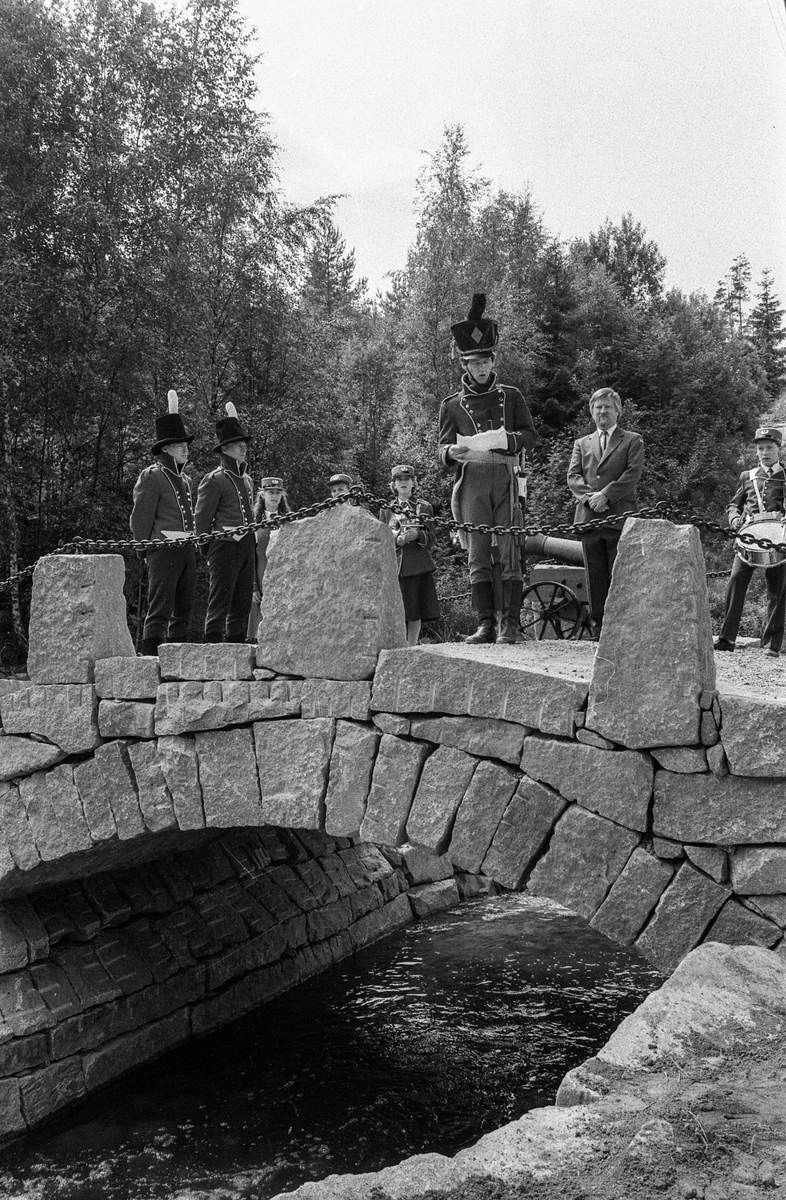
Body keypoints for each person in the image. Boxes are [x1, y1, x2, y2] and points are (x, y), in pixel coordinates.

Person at [439, 293, 538, 645]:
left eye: (486, 362)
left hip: (507, 477)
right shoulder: (451, 405)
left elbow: (530, 435)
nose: (481, 369)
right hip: (472, 481)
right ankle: (485, 624)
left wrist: (506, 439)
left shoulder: (511, 396)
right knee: (478, 553)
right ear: (465, 365)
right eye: (474, 363)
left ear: (493, 361)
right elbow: (441, 449)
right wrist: (453, 450)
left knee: (511, 551)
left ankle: (510, 624)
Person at [567, 387, 644, 639]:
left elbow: (632, 474)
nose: (602, 411)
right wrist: (590, 499)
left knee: (620, 574)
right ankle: (599, 628)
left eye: (607, 407)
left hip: (619, 518)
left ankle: (622, 627)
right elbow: (573, 476)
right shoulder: (581, 443)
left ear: (618, 411)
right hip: (589, 519)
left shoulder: (632, 440)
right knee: (595, 576)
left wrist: (606, 495)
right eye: (597, 407)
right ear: (591, 411)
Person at [129, 390, 196, 656]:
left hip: (186, 547)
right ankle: (150, 654)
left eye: (186, 444)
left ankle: (177, 655)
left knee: (184, 606)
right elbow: (141, 517)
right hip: (162, 547)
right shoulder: (152, 476)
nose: (185, 448)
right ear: (166, 448)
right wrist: (143, 549)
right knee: (159, 606)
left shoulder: (187, 480)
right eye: (180, 445)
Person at [714, 426, 786, 658]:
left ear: (779, 450)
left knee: (777, 591)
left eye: (769, 448)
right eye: (760, 448)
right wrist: (734, 517)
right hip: (748, 538)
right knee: (736, 582)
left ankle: (771, 645)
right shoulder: (748, 476)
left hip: (778, 540)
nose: (765, 453)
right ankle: (727, 639)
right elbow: (734, 504)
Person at [195, 402, 255, 643]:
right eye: (238, 446)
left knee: (242, 602)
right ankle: (212, 643)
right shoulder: (214, 480)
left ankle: (236, 643)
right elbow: (202, 518)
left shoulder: (246, 480)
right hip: (224, 544)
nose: (243, 449)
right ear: (226, 449)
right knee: (220, 599)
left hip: (246, 545)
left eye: (244, 445)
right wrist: (207, 548)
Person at [380, 464, 440, 646]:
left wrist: (417, 535)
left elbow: (431, 539)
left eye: (407, 480)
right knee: (394, 609)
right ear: (394, 485)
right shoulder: (386, 509)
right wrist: (395, 540)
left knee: (414, 609)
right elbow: (380, 538)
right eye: (399, 480)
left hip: (416, 565)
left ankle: (412, 644)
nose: (403, 483)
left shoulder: (423, 507)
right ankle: (395, 643)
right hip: (394, 567)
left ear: (414, 483)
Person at [247, 477, 291, 640]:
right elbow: (250, 556)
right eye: (270, 492)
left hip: (283, 579)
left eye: (277, 493)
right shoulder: (254, 520)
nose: (274, 496)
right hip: (260, 578)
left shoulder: (289, 520)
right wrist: (253, 586)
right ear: (263, 495)